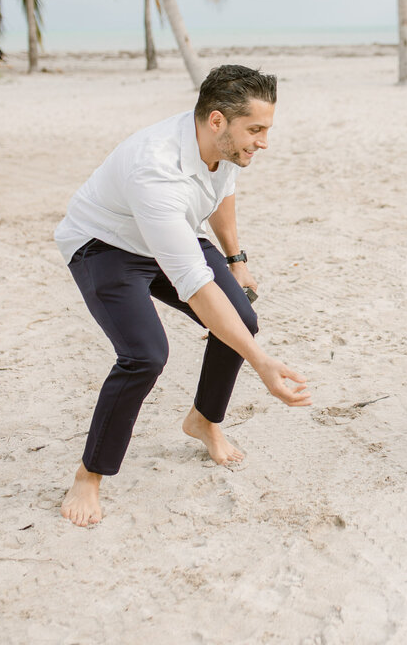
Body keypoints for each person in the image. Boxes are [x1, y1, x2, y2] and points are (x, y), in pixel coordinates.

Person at [54, 64, 311, 527]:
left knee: (241, 320)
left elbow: (223, 190)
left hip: (169, 235)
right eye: (255, 129)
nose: (264, 142)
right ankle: (89, 475)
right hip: (105, 245)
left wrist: (237, 261)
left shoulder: (219, 144)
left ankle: (203, 421)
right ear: (217, 120)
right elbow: (194, 285)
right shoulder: (156, 170)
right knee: (145, 355)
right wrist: (262, 363)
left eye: (267, 129)